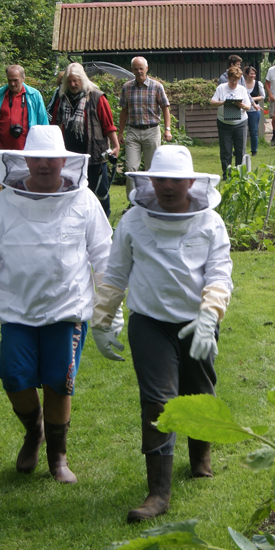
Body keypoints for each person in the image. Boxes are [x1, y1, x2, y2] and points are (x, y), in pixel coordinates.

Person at [90, 145, 232, 523]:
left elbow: (220, 274)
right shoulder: (133, 221)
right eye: (161, 179)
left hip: (197, 321)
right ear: (150, 181)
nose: (168, 186)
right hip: (150, 322)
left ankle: (200, 456)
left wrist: (210, 315)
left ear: (191, 182)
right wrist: (102, 320)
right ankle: (158, 493)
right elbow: (115, 273)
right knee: (157, 402)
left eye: (176, 180)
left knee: (198, 391)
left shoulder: (211, 223)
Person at [0, 125, 113, 484]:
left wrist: (109, 311)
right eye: (37, 158)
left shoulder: (84, 200)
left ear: (64, 162)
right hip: (16, 310)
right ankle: (34, 431)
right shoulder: (5, 203)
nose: (44, 165)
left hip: (67, 309)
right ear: (26, 161)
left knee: (60, 381)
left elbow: (103, 255)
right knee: (13, 377)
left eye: (51, 159)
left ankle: (58, 457)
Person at [47, 63, 121, 216]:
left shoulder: (97, 97)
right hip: (70, 156)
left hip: (94, 155)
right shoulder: (62, 99)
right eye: (70, 81)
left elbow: (108, 125)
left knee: (99, 193)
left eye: (76, 81)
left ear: (83, 79)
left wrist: (116, 145)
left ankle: (103, 223)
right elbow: (54, 124)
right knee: (73, 193)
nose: (73, 84)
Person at [119, 56, 173, 199]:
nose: (139, 71)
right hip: (133, 131)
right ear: (132, 70)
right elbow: (124, 111)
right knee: (131, 168)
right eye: (135, 69)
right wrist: (120, 133)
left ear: (147, 69)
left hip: (152, 131)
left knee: (152, 168)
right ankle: (132, 201)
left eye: (141, 68)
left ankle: (151, 200)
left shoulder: (157, 87)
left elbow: (165, 108)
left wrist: (167, 129)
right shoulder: (127, 87)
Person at [0, 64, 49, 163]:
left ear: (23, 78)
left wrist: (43, 147)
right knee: (3, 173)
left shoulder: (34, 96)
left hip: (28, 151)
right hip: (3, 151)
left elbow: (43, 122)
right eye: (9, 80)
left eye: (15, 80)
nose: (12, 84)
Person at [210, 65, 252, 175]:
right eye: (232, 80)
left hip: (240, 123)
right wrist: (223, 102)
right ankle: (227, 174)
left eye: (236, 81)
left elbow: (248, 106)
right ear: (228, 78)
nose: (234, 83)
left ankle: (239, 174)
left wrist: (242, 105)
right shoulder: (221, 88)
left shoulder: (242, 89)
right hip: (224, 123)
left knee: (240, 150)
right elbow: (212, 102)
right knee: (226, 150)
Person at [243, 66, 266, 155]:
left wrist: (252, 99)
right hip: (243, 110)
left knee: (254, 131)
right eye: (251, 73)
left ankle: (254, 150)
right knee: (242, 131)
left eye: (254, 74)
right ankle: (241, 149)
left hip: (254, 111)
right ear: (246, 74)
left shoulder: (258, 84)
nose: (253, 75)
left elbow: (263, 96)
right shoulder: (242, 84)